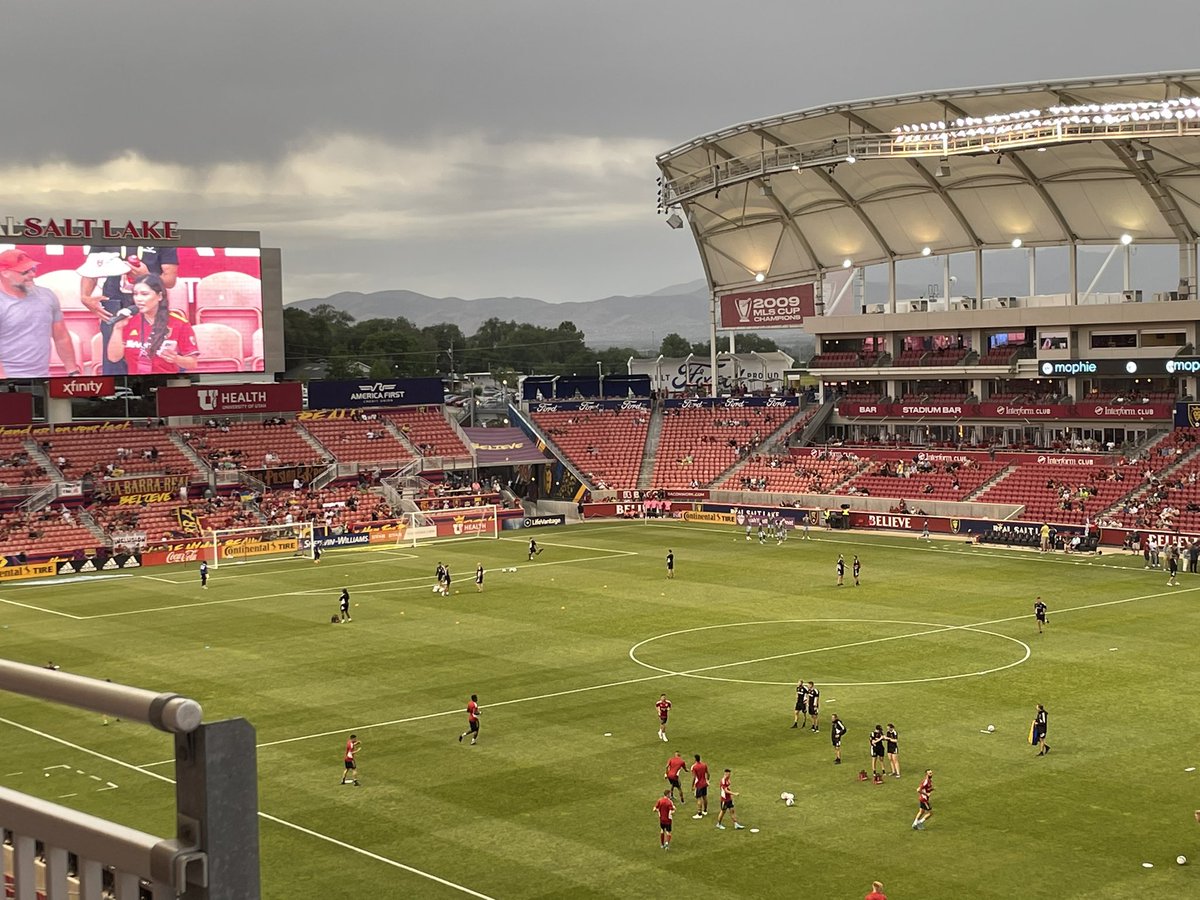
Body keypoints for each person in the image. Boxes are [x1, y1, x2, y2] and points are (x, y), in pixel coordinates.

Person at [80, 244, 179, 375]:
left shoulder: (159, 236)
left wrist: (147, 275)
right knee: (114, 361)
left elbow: (170, 280)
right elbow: (92, 268)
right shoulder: (106, 234)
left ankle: (152, 392)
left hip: (149, 304)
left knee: (152, 357)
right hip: (114, 303)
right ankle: (116, 392)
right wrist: (85, 297)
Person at [0, 249, 80, 379]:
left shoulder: (47, 296)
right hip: (7, 380)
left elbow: (61, 337)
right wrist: (4, 382)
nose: (32, 274)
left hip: (42, 377)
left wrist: (73, 372)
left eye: (33, 269)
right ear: (5, 273)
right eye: (25, 272)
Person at [105, 274, 198, 375]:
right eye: (135, 294)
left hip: (166, 383)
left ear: (159, 296)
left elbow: (192, 363)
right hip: (136, 384)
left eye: (144, 294)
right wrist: (118, 328)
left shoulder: (178, 323)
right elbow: (113, 358)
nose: (138, 299)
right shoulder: (128, 320)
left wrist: (176, 359)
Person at [690, 754, 709, 818]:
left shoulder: (694, 767)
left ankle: (699, 813)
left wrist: (692, 785)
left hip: (698, 784)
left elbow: (694, 777)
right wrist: (707, 780)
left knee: (699, 798)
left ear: (695, 759)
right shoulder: (704, 765)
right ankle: (705, 811)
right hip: (704, 783)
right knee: (705, 797)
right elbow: (708, 774)